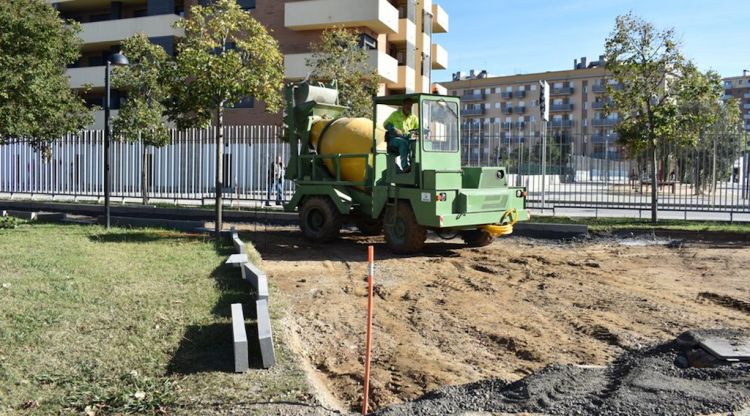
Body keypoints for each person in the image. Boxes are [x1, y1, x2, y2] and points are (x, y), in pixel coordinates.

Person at [383, 98, 419, 172]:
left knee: (415, 144)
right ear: (403, 104)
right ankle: (405, 166)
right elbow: (385, 124)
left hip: (407, 139)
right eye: (407, 104)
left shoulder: (414, 118)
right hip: (394, 139)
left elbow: (417, 130)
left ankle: (415, 166)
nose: (408, 106)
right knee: (403, 143)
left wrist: (415, 137)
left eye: (410, 104)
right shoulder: (395, 114)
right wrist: (394, 129)